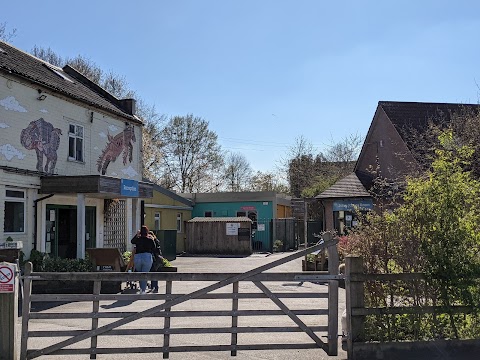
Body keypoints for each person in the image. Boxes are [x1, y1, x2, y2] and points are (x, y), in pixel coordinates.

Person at [131, 225, 156, 294]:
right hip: (147, 256)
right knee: (145, 274)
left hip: (138, 257)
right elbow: (154, 247)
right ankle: (143, 290)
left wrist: (137, 234)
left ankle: (142, 289)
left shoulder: (138, 239)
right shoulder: (149, 239)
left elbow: (132, 241)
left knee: (140, 274)